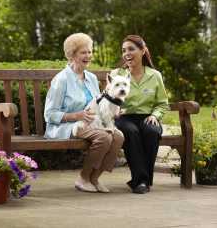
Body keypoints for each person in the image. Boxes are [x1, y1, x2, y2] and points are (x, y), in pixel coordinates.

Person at [44, 33, 124, 193]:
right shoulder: (61, 80)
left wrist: (113, 111)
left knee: (118, 136)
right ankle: (83, 178)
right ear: (72, 55)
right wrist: (76, 116)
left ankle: (95, 178)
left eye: (89, 52)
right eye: (83, 52)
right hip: (67, 126)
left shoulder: (92, 78)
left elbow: (99, 105)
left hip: (92, 124)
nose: (88, 56)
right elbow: (50, 114)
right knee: (104, 137)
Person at [112, 35, 169, 194]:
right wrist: (115, 109)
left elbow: (163, 103)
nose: (126, 53)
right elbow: (108, 99)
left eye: (131, 49)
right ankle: (142, 181)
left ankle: (142, 181)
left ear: (143, 51)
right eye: (124, 50)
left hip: (147, 117)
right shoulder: (117, 74)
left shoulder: (155, 75)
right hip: (123, 117)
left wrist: (155, 115)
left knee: (152, 131)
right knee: (131, 132)